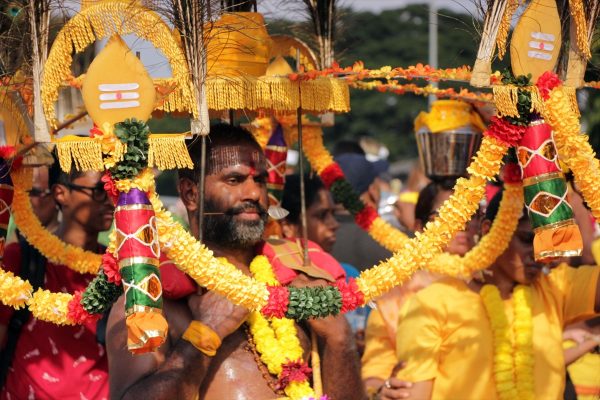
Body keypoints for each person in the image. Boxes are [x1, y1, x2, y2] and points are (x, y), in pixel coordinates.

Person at [107, 124, 365, 399]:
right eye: (234, 180)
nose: (254, 194)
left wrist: (340, 339)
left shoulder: (300, 276)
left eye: (260, 181)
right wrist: (204, 333)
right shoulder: (148, 298)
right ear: (191, 194)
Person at [393, 189, 600, 400]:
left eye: (547, 244)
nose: (540, 255)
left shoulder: (553, 286)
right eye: (527, 239)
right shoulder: (431, 304)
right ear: (489, 230)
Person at [0, 161, 114, 399]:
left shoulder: (118, 268)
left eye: (116, 190)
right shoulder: (21, 259)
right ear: (61, 193)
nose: (110, 200)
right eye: (100, 190)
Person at [362, 178, 480, 398]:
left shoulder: (491, 283)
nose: (462, 223)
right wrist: (379, 390)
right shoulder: (394, 296)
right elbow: (376, 367)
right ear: (419, 227)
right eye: (447, 215)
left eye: (471, 214)